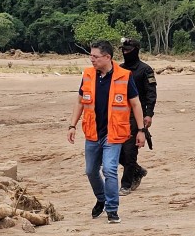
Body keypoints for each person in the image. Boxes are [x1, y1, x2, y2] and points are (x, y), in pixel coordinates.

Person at [67, 40, 146, 224]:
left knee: (110, 169)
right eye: (90, 56)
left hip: (114, 133)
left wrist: (141, 130)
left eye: (95, 56)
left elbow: (135, 104)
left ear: (107, 57)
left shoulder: (125, 76)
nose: (91, 60)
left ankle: (112, 209)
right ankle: (101, 198)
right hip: (92, 132)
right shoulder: (87, 75)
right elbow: (80, 102)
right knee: (90, 171)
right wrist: (72, 125)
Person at [118, 37, 157, 195]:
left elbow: (151, 93)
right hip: (119, 114)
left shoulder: (145, 69)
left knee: (129, 151)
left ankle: (126, 184)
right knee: (115, 150)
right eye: (124, 50)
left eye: (128, 50)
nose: (126, 53)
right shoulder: (119, 69)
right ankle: (137, 170)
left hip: (137, 115)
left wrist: (149, 114)